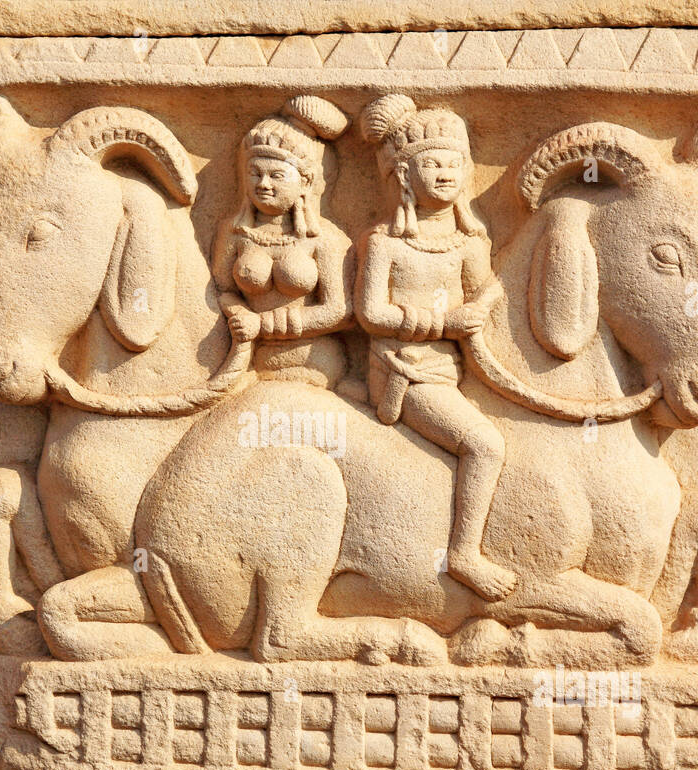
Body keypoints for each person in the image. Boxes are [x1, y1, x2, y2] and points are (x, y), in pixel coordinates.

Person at [355, 94, 515, 601]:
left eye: (453, 163)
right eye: (431, 163)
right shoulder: (384, 242)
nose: (444, 172)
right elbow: (371, 315)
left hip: (449, 371)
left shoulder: (469, 242)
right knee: (485, 444)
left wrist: (486, 299)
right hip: (404, 370)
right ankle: (464, 553)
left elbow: (486, 286)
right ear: (404, 175)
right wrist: (445, 322)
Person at [212, 95, 354, 389]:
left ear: (304, 181)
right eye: (255, 173)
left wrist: (262, 324)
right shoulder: (235, 232)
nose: (263, 184)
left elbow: (340, 311)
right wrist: (238, 312)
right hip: (250, 357)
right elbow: (222, 289)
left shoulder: (323, 238)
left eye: (276, 175)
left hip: (316, 360)